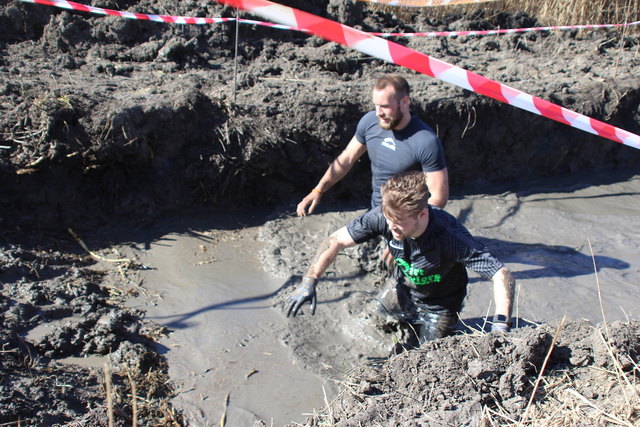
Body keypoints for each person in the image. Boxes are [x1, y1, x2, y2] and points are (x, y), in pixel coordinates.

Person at [286, 171, 515, 343]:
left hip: (440, 303)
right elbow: (334, 241)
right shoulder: (384, 217)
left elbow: (500, 274)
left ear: (422, 213)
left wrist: (500, 325)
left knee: (430, 355)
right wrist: (309, 281)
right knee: (374, 323)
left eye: (400, 223)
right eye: (389, 220)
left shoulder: (449, 237)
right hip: (401, 288)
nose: (392, 229)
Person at [296, 74, 449, 217]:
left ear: (404, 102)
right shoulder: (370, 122)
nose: (378, 113)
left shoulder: (425, 142)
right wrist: (318, 189)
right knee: (334, 243)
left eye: (384, 106)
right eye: (376, 105)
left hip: (405, 220)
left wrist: (406, 228)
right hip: (375, 213)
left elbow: (438, 198)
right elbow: (347, 158)